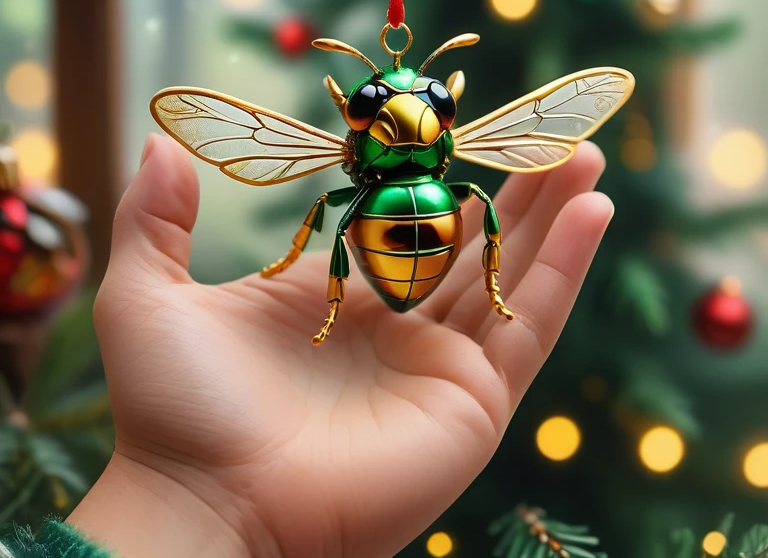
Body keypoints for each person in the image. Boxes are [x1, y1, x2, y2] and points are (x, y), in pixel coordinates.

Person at [6, 134, 612, 557]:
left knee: (341, 212)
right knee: (364, 211)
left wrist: (188, 502)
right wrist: (191, 492)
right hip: (424, 220)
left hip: (387, 223)